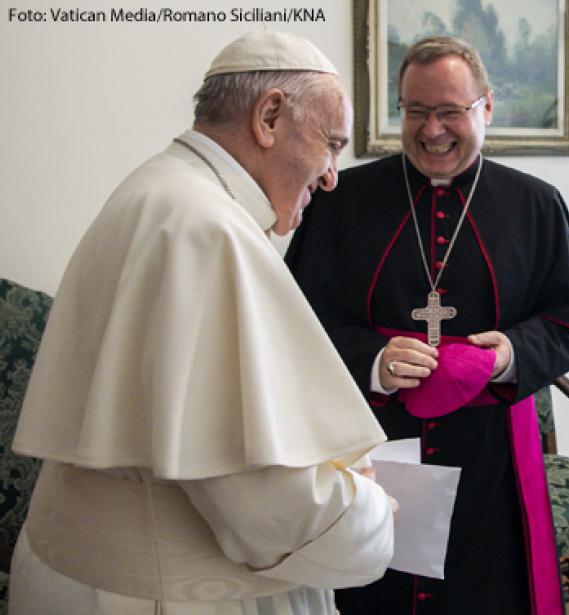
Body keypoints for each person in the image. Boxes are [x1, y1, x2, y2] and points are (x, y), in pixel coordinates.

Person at [10, 30, 396, 615]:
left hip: (79, 568)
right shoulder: (208, 229)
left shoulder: (158, 187)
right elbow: (263, 499)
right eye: (331, 144)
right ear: (270, 116)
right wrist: (368, 512)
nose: (331, 176)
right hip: (159, 595)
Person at [285, 36, 569, 615]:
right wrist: (373, 361)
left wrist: (508, 354)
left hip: (492, 458)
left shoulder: (536, 204)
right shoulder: (340, 200)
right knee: (374, 591)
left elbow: (567, 323)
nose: (432, 130)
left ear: (486, 107)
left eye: (450, 110)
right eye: (415, 111)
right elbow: (297, 325)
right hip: (372, 444)